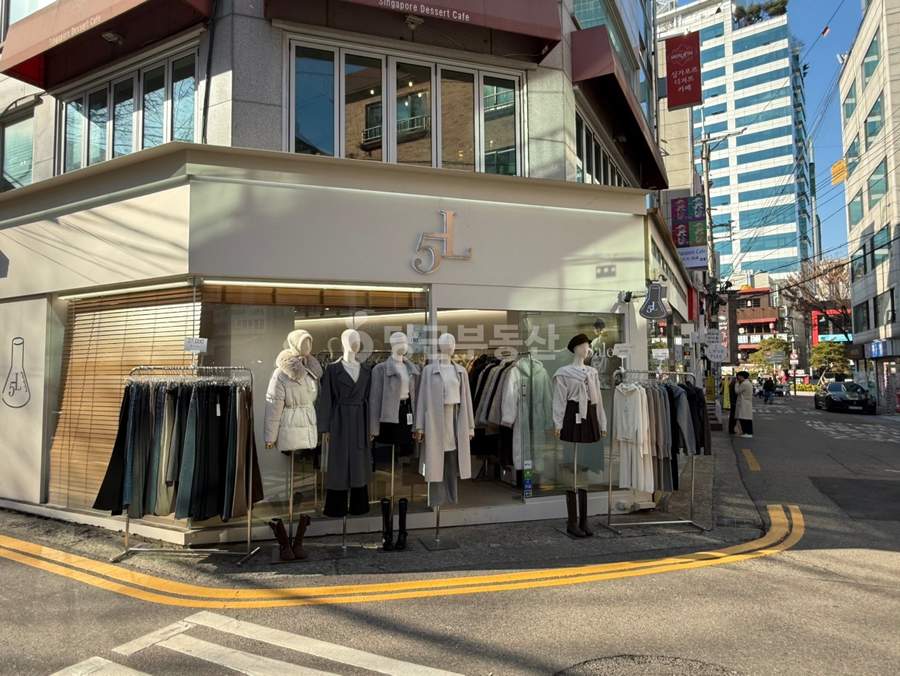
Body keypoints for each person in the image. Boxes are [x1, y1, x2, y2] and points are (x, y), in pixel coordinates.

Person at [734, 371, 754, 438]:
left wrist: (736, 384)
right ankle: (747, 432)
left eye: (739, 376)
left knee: (744, 419)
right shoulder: (748, 383)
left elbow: (737, 391)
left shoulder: (744, 384)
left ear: (742, 376)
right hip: (746, 403)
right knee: (746, 418)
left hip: (744, 403)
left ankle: (747, 432)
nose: (738, 378)